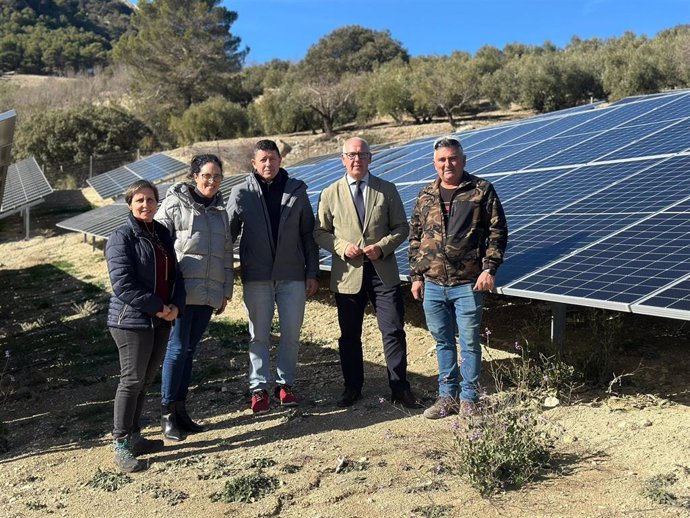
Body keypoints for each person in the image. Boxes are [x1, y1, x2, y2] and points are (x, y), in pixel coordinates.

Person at [314, 137, 420, 408]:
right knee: (349, 334)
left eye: (362, 154)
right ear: (343, 159)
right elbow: (320, 232)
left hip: (382, 272)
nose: (356, 159)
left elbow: (402, 228)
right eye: (351, 155)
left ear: (370, 158)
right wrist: (340, 246)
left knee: (393, 330)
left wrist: (382, 247)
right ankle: (352, 387)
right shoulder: (330, 193)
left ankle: (399, 387)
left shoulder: (387, 190)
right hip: (348, 274)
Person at [408, 136, 508, 419]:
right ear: (434, 163)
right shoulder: (425, 194)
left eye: (452, 158)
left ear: (463, 160)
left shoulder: (480, 190)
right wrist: (416, 276)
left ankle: (469, 400)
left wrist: (489, 269)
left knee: (469, 341)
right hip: (433, 284)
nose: (447, 164)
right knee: (442, 342)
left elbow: (497, 232)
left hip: (468, 282)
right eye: (442, 160)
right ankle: (446, 398)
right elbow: (415, 237)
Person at [227, 139, 319, 414]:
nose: (268, 164)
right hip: (257, 276)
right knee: (259, 335)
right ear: (254, 164)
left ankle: (285, 385)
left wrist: (312, 272)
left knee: (291, 333)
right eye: (263, 159)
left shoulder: (296, 190)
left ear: (280, 160)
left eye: (273, 158)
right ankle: (259, 389)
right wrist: (221, 273)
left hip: (292, 275)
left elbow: (307, 234)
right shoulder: (240, 192)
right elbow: (228, 234)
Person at [105, 180, 186, 473]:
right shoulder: (122, 237)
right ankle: (121, 442)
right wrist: (158, 307)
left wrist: (176, 305)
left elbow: (176, 275)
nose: (146, 205)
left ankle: (135, 436)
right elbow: (123, 283)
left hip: (161, 319)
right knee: (131, 380)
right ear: (130, 204)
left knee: (144, 380)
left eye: (151, 200)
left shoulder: (162, 233)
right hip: (131, 321)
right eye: (139, 200)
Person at [155, 154, 234, 440]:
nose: (212, 182)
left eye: (217, 177)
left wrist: (225, 290)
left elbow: (226, 254)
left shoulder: (220, 212)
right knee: (176, 350)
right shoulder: (174, 204)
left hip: (208, 292)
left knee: (189, 351)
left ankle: (181, 411)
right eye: (206, 176)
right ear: (194, 176)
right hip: (181, 292)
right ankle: (166, 414)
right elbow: (159, 246)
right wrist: (164, 292)